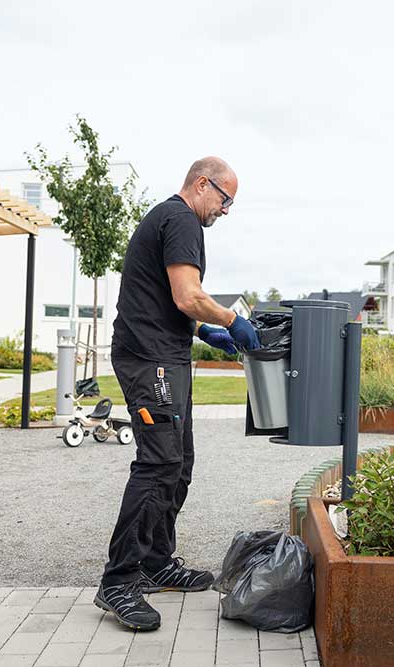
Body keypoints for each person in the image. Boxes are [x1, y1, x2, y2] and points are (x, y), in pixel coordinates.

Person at [95, 157, 260, 631]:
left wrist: (205, 334)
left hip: (166, 354)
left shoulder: (173, 220)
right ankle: (118, 579)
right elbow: (188, 295)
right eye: (226, 199)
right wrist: (231, 320)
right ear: (202, 184)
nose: (226, 210)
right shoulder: (183, 218)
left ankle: (153, 561)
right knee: (158, 464)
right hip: (149, 359)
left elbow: (170, 300)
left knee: (179, 463)